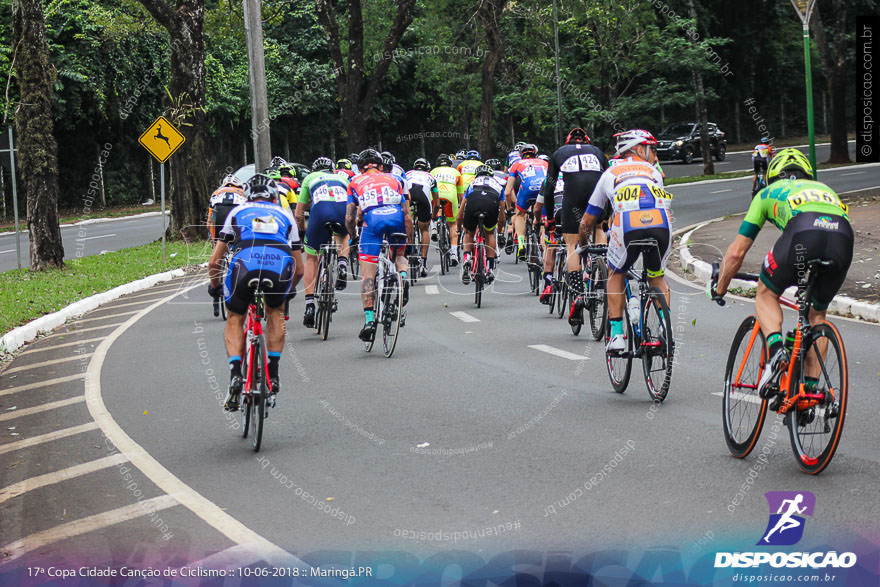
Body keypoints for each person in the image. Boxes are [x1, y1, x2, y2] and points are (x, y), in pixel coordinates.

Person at [712, 148, 852, 397]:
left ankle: (776, 351)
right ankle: (809, 392)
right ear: (807, 174)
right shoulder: (825, 189)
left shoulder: (767, 193)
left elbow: (736, 253)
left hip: (803, 233)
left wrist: (721, 287)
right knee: (816, 315)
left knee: (766, 293)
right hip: (842, 237)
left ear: (772, 175)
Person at [208, 174, 304, 411]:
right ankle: (273, 373)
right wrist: (288, 292)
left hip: (245, 265)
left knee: (235, 318)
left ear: (247, 196)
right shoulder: (284, 214)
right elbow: (300, 269)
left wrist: (215, 287)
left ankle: (234, 374)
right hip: (278, 265)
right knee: (275, 313)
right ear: (273, 197)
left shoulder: (237, 212)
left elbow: (214, 262)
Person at [578, 129, 672, 350]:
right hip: (661, 222)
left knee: (616, 273)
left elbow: (587, 221)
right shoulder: (654, 171)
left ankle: (618, 335)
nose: (655, 156)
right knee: (657, 276)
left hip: (628, 225)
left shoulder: (610, 173)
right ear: (639, 149)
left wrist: (583, 245)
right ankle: (665, 329)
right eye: (653, 150)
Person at [346, 148, 414, 342]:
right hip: (396, 219)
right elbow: (407, 214)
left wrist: (353, 235)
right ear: (381, 166)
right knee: (399, 256)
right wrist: (407, 241)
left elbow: (351, 217)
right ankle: (402, 277)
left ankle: (369, 321)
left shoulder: (354, 182)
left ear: (360, 169)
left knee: (368, 274)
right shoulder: (395, 179)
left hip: (372, 222)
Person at [541, 127, 608, 304]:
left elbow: (549, 191)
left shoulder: (559, 153)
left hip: (573, 196)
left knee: (571, 244)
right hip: (596, 192)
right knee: (599, 227)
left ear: (567, 142)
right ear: (586, 140)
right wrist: (607, 214)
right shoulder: (597, 151)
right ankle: (601, 269)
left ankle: (578, 292)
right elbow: (609, 180)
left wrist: (549, 220)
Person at [296, 157, 352, 329]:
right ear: (332, 170)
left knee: (312, 259)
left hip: (319, 212)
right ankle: (342, 263)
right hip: (341, 210)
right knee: (343, 236)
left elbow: (298, 213)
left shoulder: (309, 178)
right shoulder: (343, 178)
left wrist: (302, 232)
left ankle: (310, 305)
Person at [457, 164, 506, 285]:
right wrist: (500, 231)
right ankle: (489, 268)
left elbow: (460, 212)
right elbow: (502, 215)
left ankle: (467, 257)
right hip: (491, 204)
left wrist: (459, 229)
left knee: (469, 232)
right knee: (490, 234)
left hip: (474, 203)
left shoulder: (472, 184)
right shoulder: (498, 186)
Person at [504, 143, 548, 259]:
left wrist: (509, 210)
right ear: (536, 154)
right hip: (543, 189)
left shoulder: (517, 164)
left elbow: (508, 192)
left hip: (527, 190)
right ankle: (545, 253)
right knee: (543, 223)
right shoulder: (545, 163)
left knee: (520, 215)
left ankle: (521, 244)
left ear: (520, 155)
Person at [405, 158, 440, 277]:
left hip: (409, 196)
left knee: (407, 222)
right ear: (428, 169)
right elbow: (437, 203)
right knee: (424, 229)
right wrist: (434, 215)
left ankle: (409, 249)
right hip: (423, 198)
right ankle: (423, 263)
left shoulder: (407, 173)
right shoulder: (431, 177)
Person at [533, 173, 564, 304]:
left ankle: (548, 284)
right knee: (574, 244)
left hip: (556, 214)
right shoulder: (577, 175)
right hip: (573, 212)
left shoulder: (548, 180)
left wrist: (537, 220)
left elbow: (538, 207)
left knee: (551, 247)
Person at [430, 154, 462, 267]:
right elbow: (461, 194)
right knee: (453, 224)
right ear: (450, 164)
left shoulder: (433, 171)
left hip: (436, 195)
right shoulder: (456, 172)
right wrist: (460, 206)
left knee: (434, 210)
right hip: (451, 196)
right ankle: (454, 254)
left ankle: (434, 226)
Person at [207, 174, 246, 242]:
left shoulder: (216, 193)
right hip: (237, 211)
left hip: (219, 212)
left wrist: (212, 239)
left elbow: (209, 221)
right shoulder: (243, 193)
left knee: (217, 243)